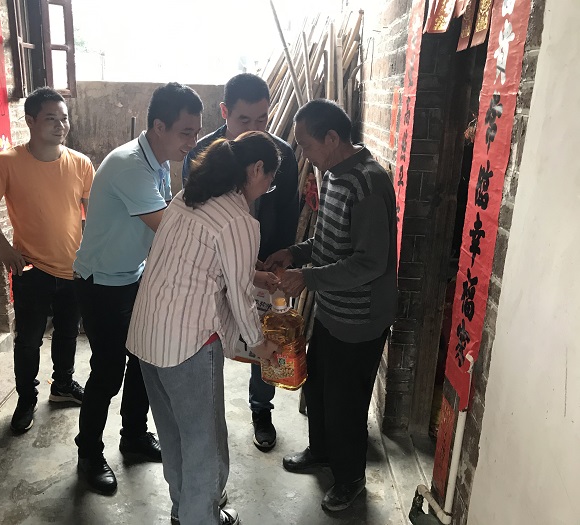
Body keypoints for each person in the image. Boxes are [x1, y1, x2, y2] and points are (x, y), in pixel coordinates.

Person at [128, 131, 281, 525]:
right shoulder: (239, 220)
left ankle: (184, 511)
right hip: (188, 343)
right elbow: (240, 297)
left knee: (174, 435)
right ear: (256, 169)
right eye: (269, 181)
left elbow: (205, 265)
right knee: (205, 446)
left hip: (148, 333)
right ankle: (201, 518)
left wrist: (253, 276)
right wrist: (259, 343)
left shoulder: (187, 198)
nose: (266, 189)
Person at [265, 99, 397, 512]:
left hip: (360, 319)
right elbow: (328, 240)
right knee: (319, 386)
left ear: (333, 138)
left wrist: (309, 278)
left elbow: (370, 262)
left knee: (346, 404)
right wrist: (295, 252)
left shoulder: (368, 184)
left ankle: (350, 479)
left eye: (306, 144)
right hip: (333, 311)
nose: (304, 153)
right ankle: (321, 451)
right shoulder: (335, 175)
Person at [73, 82, 204, 495]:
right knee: (108, 371)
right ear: (159, 126)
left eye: (196, 132)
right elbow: (169, 231)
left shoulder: (158, 160)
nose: (192, 142)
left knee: (143, 359)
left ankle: (133, 436)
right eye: (186, 132)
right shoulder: (130, 165)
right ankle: (88, 453)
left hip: (133, 275)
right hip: (101, 283)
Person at [182, 73, 299, 452]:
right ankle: (208, 414)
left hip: (266, 262)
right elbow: (195, 214)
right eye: (243, 120)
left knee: (265, 335)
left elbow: (288, 212)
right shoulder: (203, 153)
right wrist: (237, 262)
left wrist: (276, 260)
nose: (254, 129)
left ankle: (261, 410)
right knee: (210, 340)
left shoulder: (281, 154)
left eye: (262, 119)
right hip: (213, 270)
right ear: (224, 112)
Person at [0, 87, 94, 433]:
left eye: (64, 118)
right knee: (28, 340)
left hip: (74, 268)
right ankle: (26, 399)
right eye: (50, 118)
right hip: (31, 268)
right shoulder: (7, 162)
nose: (60, 125)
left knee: (68, 333)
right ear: (30, 121)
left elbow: (92, 214)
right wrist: (3, 248)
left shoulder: (81, 164)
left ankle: (62, 385)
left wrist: (91, 255)